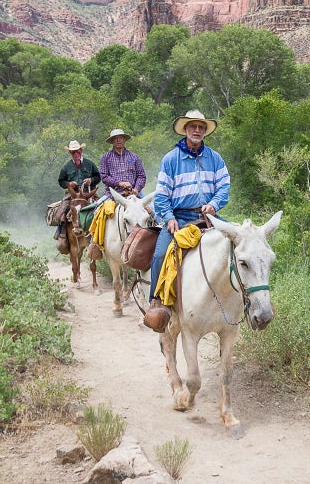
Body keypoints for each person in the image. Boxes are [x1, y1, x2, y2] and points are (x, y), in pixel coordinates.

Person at [142, 109, 231, 332]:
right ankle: (155, 302)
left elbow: (224, 187)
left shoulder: (215, 158)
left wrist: (214, 204)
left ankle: (239, 301)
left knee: (236, 244)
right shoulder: (171, 159)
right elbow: (161, 195)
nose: (198, 130)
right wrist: (169, 217)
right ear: (186, 129)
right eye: (193, 127)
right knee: (161, 253)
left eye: (201, 127)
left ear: (205, 131)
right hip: (179, 217)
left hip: (207, 217)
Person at [54, 139, 102, 240]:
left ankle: (100, 236)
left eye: (78, 151)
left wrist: (91, 180)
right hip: (72, 193)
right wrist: (69, 184)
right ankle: (61, 234)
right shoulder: (66, 167)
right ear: (70, 153)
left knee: (101, 209)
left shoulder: (90, 164)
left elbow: (98, 177)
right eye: (73, 152)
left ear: (81, 151)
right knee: (60, 213)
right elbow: (61, 181)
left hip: (88, 192)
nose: (76, 154)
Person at [99, 128, 146, 198]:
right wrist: (119, 183)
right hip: (113, 193)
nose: (118, 140)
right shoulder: (106, 157)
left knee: (152, 207)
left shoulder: (134, 157)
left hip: (133, 192)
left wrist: (136, 189)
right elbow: (104, 177)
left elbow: (141, 176)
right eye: (115, 138)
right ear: (112, 141)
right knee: (99, 207)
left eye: (120, 138)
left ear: (124, 140)